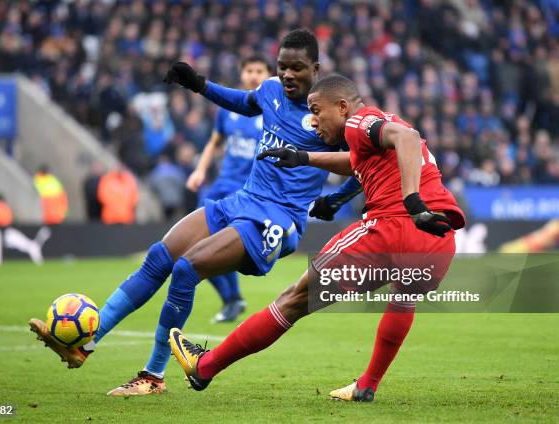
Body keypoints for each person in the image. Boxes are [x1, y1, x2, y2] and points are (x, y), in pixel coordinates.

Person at [28, 29, 361, 397]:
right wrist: (199, 84)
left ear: (316, 67)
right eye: (282, 67)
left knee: (187, 269)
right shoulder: (271, 92)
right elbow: (243, 101)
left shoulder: (328, 114)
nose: (287, 75)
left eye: (296, 68)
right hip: (242, 200)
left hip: (277, 220)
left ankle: (153, 376)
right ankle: (84, 344)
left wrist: (336, 199)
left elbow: (366, 161)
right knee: (159, 258)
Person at [169, 74, 465, 402]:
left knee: (294, 299)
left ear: (342, 107)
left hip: (393, 227)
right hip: (437, 237)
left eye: (316, 110)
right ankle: (367, 384)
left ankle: (204, 366)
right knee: (403, 298)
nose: (312, 120)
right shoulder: (375, 128)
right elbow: (358, 163)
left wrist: (411, 201)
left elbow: (407, 138)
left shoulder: (360, 121)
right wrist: (304, 158)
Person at [187, 55, 271, 323]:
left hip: (248, 191)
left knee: (222, 245)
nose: (254, 75)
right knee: (196, 242)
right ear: (242, 73)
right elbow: (214, 142)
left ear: (269, 74)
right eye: (249, 70)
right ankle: (231, 298)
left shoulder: (271, 110)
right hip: (221, 185)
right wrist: (200, 170)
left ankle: (232, 299)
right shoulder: (229, 108)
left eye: (259, 70)